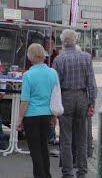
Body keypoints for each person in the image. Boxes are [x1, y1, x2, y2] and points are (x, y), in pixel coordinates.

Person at [53, 29, 97, 178]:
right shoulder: (86, 57)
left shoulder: (59, 60)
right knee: (82, 138)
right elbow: (91, 83)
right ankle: (82, 172)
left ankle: (67, 173)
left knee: (65, 138)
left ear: (63, 42)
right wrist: (92, 103)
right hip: (82, 97)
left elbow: (55, 85)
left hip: (65, 97)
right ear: (76, 40)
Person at [16, 43, 57, 178]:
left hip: (31, 115)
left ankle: (39, 175)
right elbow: (55, 97)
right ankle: (47, 174)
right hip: (46, 114)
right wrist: (54, 116)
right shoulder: (52, 73)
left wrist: (19, 118)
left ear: (31, 56)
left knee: (35, 149)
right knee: (44, 147)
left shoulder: (28, 75)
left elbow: (25, 100)